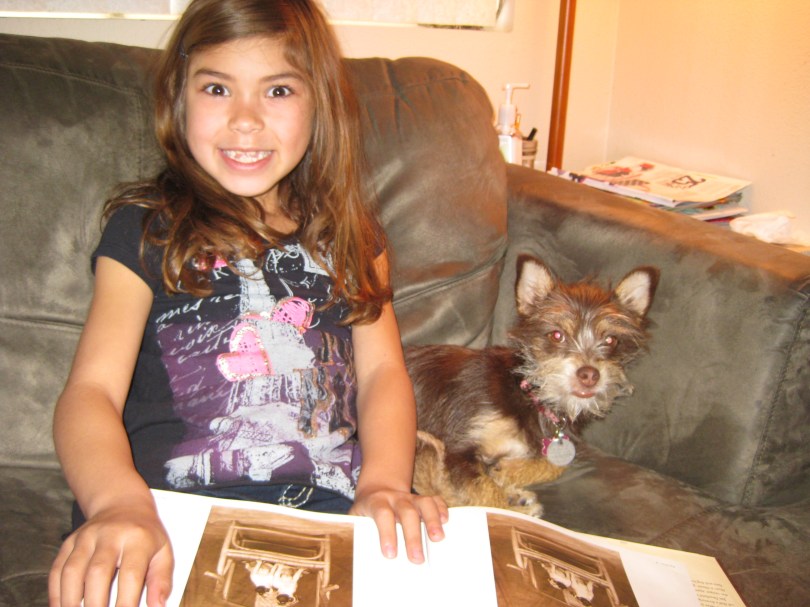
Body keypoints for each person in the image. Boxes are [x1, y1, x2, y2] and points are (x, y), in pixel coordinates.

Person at [47, 1, 447, 606]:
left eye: (279, 90)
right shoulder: (145, 230)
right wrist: (116, 502)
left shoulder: (354, 239)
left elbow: (384, 373)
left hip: (327, 517)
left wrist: (385, 482)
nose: (245, 121)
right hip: (165, 520)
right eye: (216, 88)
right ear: (179, 98)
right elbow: (90, 393)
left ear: (321, 106)